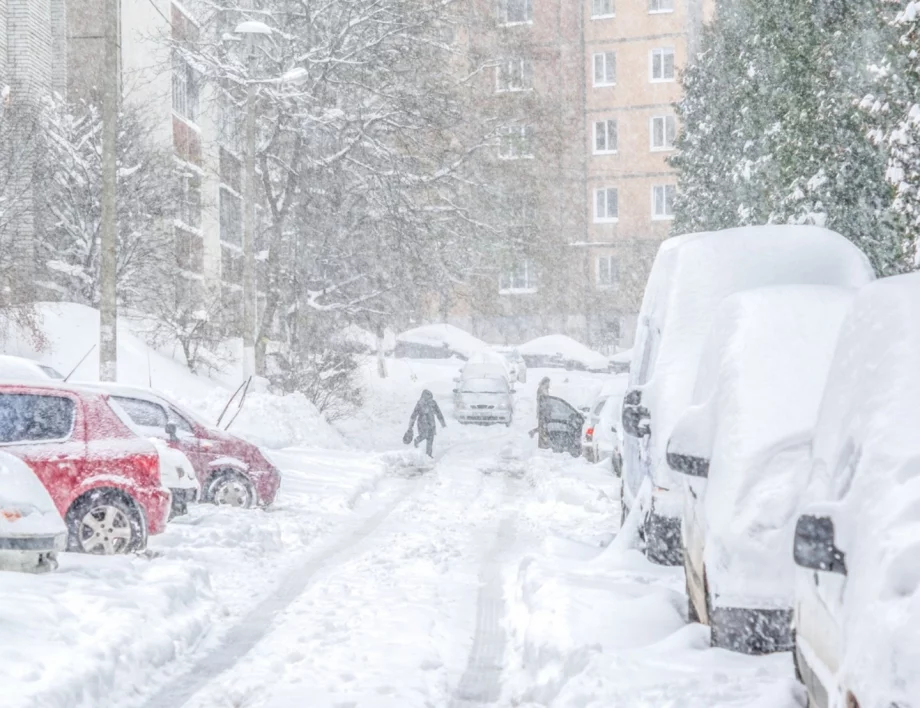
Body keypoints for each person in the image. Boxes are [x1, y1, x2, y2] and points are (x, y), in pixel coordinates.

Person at [408, 389, 446, 457]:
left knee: (430, 438)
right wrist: (410, 426)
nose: (428, 399)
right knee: (424, 434)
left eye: (429, 397)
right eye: (427, 397)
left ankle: (428, 455)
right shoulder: (420, 403)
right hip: (422, 422)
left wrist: (443, 423)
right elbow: (414, 415)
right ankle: (417, 440)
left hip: (431, 422)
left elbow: (438, 413)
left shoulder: (433, 403)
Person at [530, 377, 551, 449]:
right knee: (543, 426)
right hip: (542, 410)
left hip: (544, 410)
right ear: (545, 382)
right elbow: (542, 400)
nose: (549, 384)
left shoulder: (545, 389)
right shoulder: (542, 389)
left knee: (543, 425)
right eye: (548, 382)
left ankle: (534, 432)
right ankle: (542, 443)